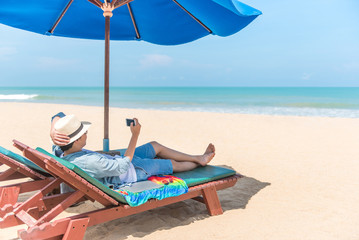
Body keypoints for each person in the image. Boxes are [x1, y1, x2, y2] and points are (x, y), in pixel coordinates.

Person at [50, 113, 215, 189]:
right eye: (84, 132)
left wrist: (53, 130)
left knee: (155, 145)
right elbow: (122, 166)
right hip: (133, 171)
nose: (86, 133)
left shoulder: (60, 150)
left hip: (120, 161)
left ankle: (197, 157)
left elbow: (57, 116)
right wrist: (135, 135)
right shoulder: (90, 162)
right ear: (78, 140)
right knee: (172, 164)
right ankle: (199, 162)